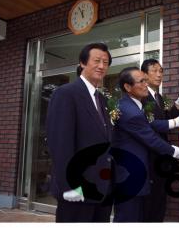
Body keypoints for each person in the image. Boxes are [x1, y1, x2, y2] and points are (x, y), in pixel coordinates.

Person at [46, 43, 114, 222]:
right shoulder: (66, 93)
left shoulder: (101, 99)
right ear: (82, 63)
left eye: (105, 62)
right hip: (78, 188)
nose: (101, 66)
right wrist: (69, 185)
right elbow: (60, 142)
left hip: (102, 188)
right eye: (97, 61)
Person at [111, 66, 179, 222]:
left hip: (135, 172)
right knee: (128, 217)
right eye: (141, 81)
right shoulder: (129, 111)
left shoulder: (133, 104)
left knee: (137, 215)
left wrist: (173, 123)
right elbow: (150, 137)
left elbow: (148, 124)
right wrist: (175, 151)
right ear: (127, 87)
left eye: (146, 80)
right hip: (130, 175)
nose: (146, 84)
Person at [140, 58, 179, 222]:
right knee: (151, 201)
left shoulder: (159, 97)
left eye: (161, 71)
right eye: (154, 70)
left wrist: (178, 105)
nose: (159, 74)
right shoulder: (143, 97)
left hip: (162, 157)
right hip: (150, 156)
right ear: (144, 75)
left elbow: (166, 117)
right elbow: (151, 124)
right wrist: (174, 122)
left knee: (160, 198)